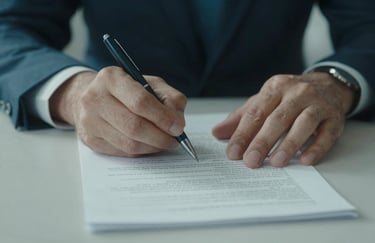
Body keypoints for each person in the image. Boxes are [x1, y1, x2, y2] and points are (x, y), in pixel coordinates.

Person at [0, 0, 374, 168]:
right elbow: (9, 27)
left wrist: (336, 80)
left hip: (289, 134)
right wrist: (73, 92)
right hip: (103, 123)